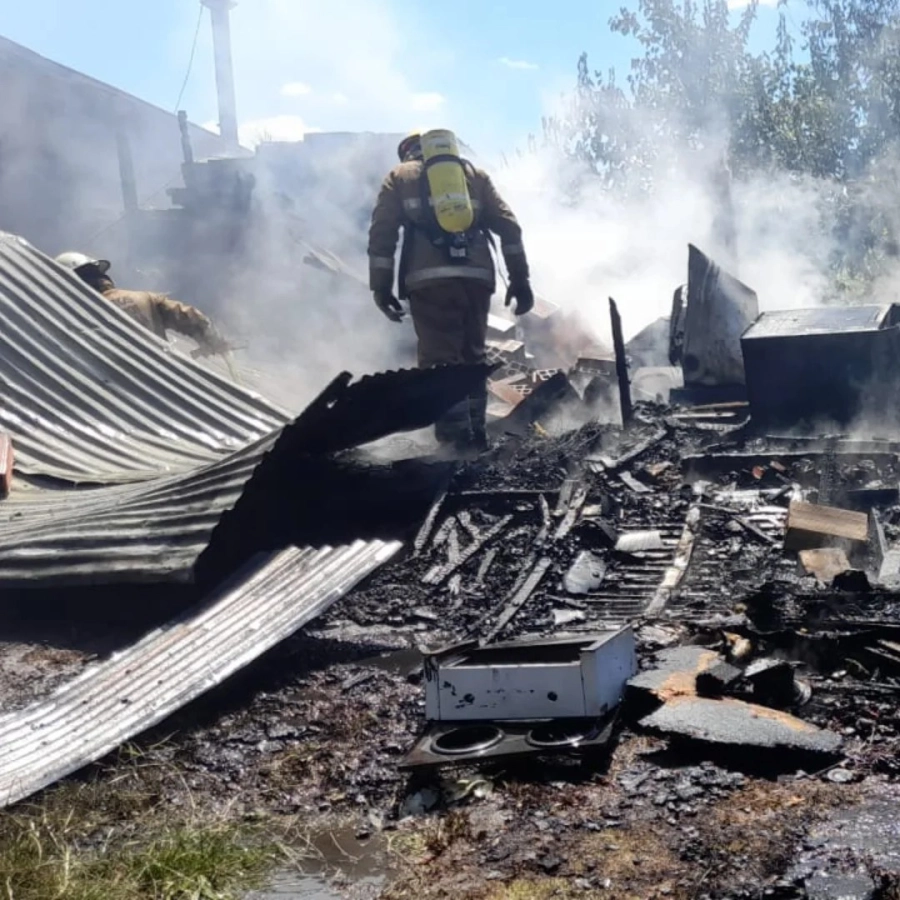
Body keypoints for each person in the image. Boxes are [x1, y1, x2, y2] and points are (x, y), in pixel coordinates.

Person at [368, 130, 534, 454]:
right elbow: (509, 227)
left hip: (429, 282)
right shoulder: (474, 175)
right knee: (473, 356)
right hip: (477, 279)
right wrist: (520, 279)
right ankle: (477, 437)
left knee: (440, 362)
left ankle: (455, 447)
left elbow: (382, 235)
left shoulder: (400, 176)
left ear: (407, 153)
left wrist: (381, 287)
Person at [54, 252, 230, 356]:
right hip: (169, 379)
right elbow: (189, 316)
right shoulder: (145, 298)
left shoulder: (77, 318)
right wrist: (213, 340)